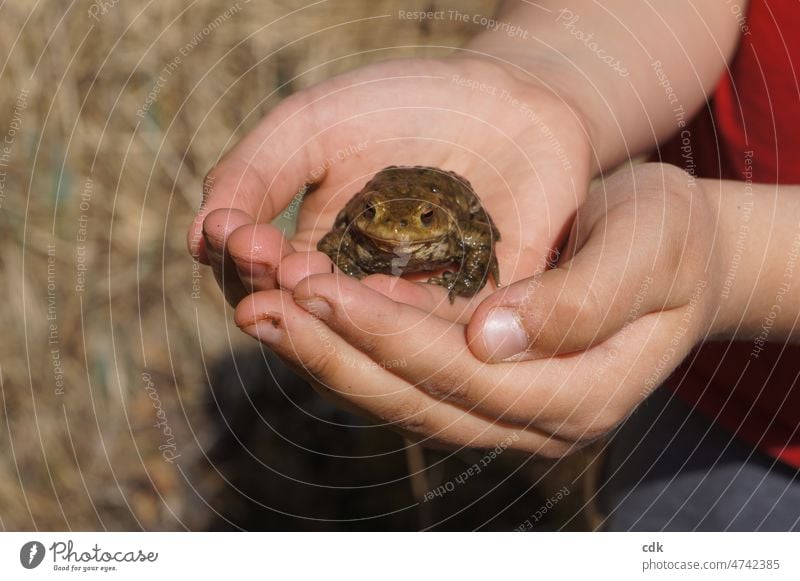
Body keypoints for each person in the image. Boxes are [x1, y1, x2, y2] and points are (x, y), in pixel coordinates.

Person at [188, 0, 800, 530]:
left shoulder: (453, 224)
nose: (398, 229)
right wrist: (535, 81)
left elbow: (474, 230)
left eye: (419, 223)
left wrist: (733, 258)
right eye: (383, 216)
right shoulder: (370, 215)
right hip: (711, 400)